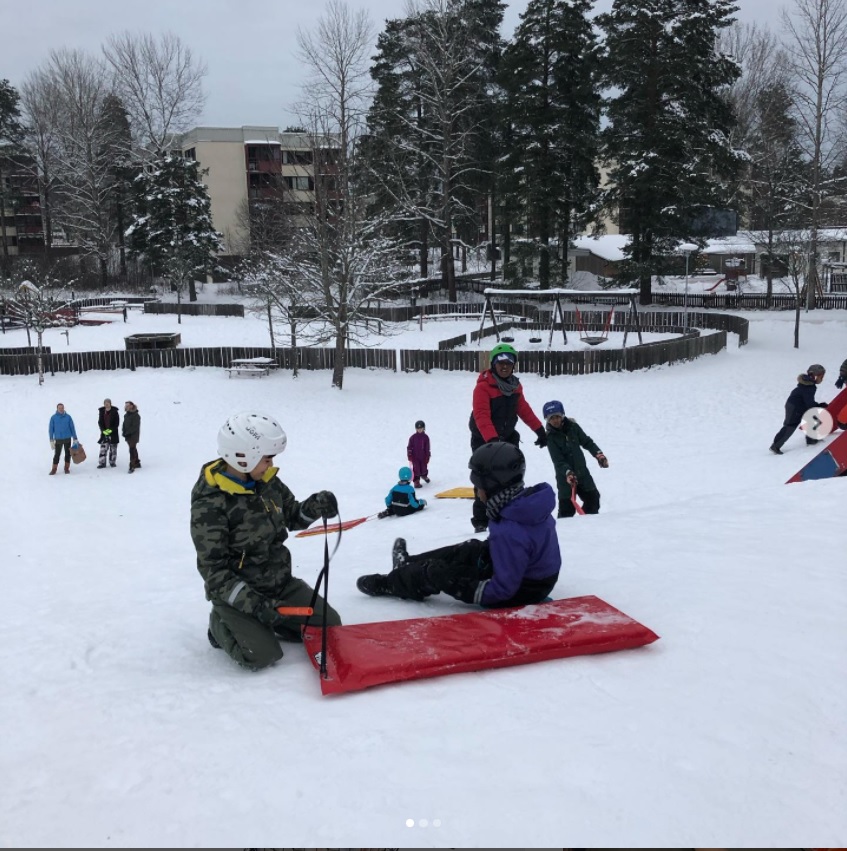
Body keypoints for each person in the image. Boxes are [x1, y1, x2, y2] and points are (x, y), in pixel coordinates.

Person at [190, 411, 341, 671]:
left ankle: (271, 619)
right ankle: (220, 625)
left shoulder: (266, 482)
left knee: (329, 624)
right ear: (243, 456)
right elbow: (213, 571)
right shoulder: (210, 504)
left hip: (279, 584)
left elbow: (292, 515)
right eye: (267, 458)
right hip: (238, 595)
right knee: (261, 655)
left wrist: (316, 506)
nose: (270, 464)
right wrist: (257, 606)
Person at [357, 441, 561, 607]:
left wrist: (464, 586)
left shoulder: (510, 529)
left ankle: (390, 583)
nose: (477, 492)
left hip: (521, 591)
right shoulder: (522, 507)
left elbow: (503, 589)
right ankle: (408, 564)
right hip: (534, 578)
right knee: (469, 549)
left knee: (437, 571)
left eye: (478, 487)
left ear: (493, 486)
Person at [468, 342, 546, 532]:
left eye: (509, 363)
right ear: (494, 364)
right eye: (500, 362)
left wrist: (539, 429)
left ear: (513, 366)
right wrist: (492, 442)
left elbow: (523, 409)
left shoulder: (514, 387)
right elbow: (481, 416)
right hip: (484, 440)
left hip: (507, 438)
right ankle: (480, 521)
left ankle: (507, 514)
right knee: (485, 481)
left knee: (510, 478)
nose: (504, 366)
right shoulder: (483, 387)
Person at [543, 400, 609, 518]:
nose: (555, 420)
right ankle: (566, 531)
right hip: (565, 479)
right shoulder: (550, 438)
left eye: (557, 416)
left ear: (562, 415)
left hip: (582, 473)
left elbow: (587, 442)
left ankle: (587, 526)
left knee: (593, 499)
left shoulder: (573, 427)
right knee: (567, 511)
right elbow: (558, 461)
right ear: (547, 419)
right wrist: (568, 473)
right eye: (551, 418)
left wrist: (598, 455)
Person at [770, 364, 829, 454]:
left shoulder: (809, 384)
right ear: (814, 376)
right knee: (790, 426)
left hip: (801, 406)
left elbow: (808, 402)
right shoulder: (808, 387)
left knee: (813, 419)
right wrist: (820, 406)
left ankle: (811, 439)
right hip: (794, 408)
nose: (822, 379)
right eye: (821, 376)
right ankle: (775, 446)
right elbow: (810, 403)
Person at [48, 402, 78, 475]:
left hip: (67, 438)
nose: (61, 409)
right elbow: (51, 429)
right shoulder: (53, 418)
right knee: (57, 454)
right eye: (59, 408)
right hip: (58, 439)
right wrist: (51, 439)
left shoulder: (68, 417)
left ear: (64, 408)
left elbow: (72, 427)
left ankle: (66, 468)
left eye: (62, 408)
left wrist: (75, 438)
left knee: (68, 454)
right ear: (57, 409)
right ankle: (54, 469)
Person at [407, 419, 431, 488]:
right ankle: (416, 482)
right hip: (415, 457)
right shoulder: (413, 438)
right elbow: (409, 447)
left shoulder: (426, 438)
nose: (419, 430)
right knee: (416, 469)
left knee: (424, 467)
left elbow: (427, 448)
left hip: (423, 456)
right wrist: (409, 455)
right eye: (418, 429)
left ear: (424, 428)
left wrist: (427, 456)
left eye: (421, 428)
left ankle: (424, 475)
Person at [97, 398, 120, 468]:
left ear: (110, 404)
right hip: (104, 433)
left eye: (108, 403)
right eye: (105, 403)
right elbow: (100, 422)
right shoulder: (102, 412)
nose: (106, 404)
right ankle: (102, 463)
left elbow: (116, 424)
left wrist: (110, 430)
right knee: (103, 448)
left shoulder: (115, 412)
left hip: (113, 433)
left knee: (113, 449)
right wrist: (103, 430)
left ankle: (112, 462)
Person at [122, 401, 141, 473]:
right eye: (126, 405)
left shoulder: (136, 415)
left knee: (132, 449)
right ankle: (137, 462)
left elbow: (135, 427)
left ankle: (132, 465)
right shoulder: (126, 415)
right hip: (127, 435)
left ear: (132, 406)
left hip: (133, 436)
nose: (126, 406)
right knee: (133, 448)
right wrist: (123, 432)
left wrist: (127, 433)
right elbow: (124, 425)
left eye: (128, 405)